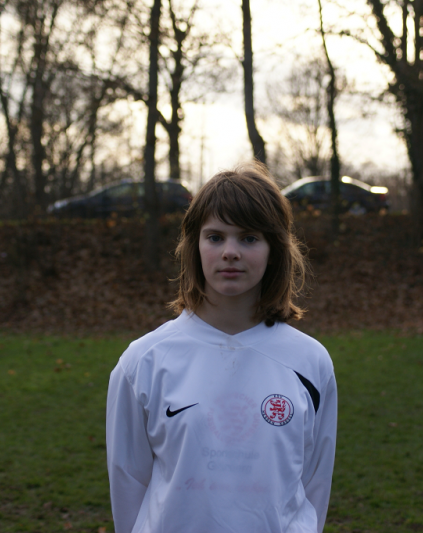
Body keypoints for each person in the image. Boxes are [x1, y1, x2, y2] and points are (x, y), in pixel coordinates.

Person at [106, 162, 337, 533]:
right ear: (194, 246)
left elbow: (314, 486)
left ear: (274, 249)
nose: (230, 252)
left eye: (249, 238)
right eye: (215, 237)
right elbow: (128, 486)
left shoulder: (311, 362)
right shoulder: (143, 362)